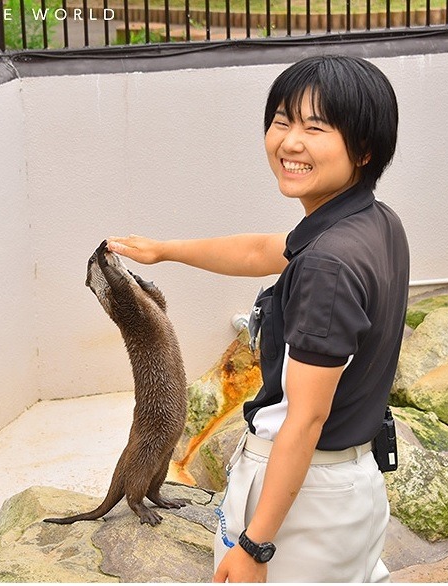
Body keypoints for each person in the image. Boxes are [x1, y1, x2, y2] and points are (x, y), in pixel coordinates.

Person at [107, 55, 409, 583]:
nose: (290, 142)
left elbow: (305, 420)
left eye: (316, 127)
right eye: (282, 121)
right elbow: (258, 251)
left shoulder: (328, 266)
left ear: (364, 148)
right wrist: (165, 250)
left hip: (304, 499)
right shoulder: (373, 222)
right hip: (346, 486)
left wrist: (255, 544)